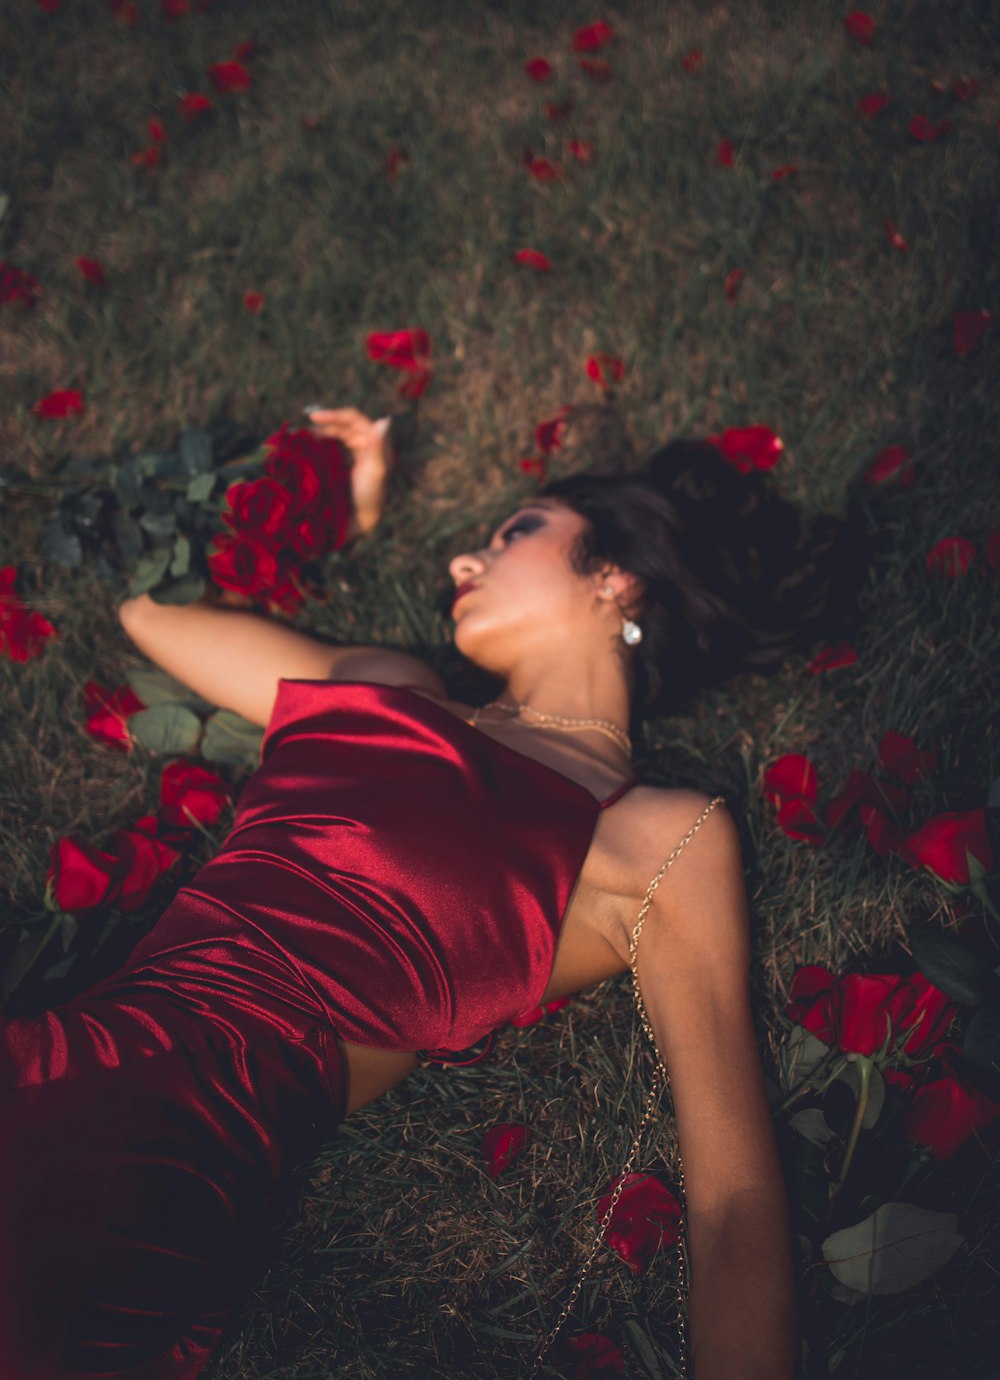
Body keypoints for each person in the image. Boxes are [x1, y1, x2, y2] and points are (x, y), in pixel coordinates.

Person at [1, 406, 864, 1380]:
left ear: (614, 576)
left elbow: (732, 1203)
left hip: (165, 1158)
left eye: (516, 532)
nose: (464, 560)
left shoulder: (654, 835)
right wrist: (339, 504)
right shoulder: (382, 687)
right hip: (61, 1054)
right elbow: (145, 611)